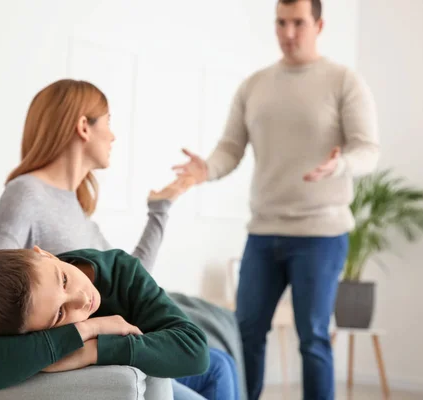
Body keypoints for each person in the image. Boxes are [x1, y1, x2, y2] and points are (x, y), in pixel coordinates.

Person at [0, 78, 239, 400]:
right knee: (219, 364)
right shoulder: (26, 193)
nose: (113, 135)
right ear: (84, 126)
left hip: (111, 328)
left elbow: (128, 273)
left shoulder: (75, 203)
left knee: (220, 357)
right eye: (108, 122)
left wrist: (160, 210)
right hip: (73, 342)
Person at [172, 0, 379, 399]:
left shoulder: (343, 81)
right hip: (264, 233)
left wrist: (339, 166)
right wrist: (206, 169)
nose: (288, 33)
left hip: (321, 233)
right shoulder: (255, 85)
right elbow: (229, 148)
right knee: (246, 332)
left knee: (313, 338)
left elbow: (368, 150)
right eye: (281, 23)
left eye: (298, 23)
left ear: (319, 24)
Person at [0, 245, 210, 396]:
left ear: (44, 254)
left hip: (165, 364)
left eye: (63, 279)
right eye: (60, 315)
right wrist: (89, 328)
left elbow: (195, 351)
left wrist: (95, 350)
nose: (80, 299)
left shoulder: (122, 270)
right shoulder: (16, 314)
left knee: (220, 369)